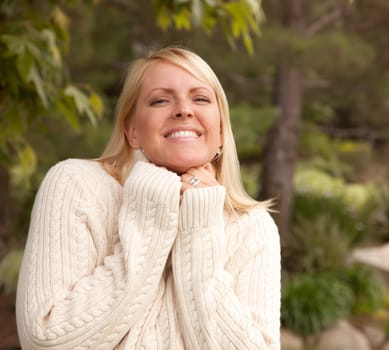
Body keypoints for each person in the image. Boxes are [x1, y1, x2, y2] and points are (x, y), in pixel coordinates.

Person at [16, 46, 281, 349]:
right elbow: (46, 340)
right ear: (132, 132)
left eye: (201, 98)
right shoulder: (76, 185)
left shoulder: (252, 226)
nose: (184, 109)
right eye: (160, 100)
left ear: (220, 130)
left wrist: (200, 229)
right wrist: (151, 214)